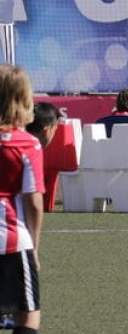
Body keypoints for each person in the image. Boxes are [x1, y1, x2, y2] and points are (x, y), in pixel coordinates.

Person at [0, 65, 43, 334]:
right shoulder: (26, 143)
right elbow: (34, 202)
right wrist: (35, 248)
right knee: (27, 316)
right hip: (12, 241)